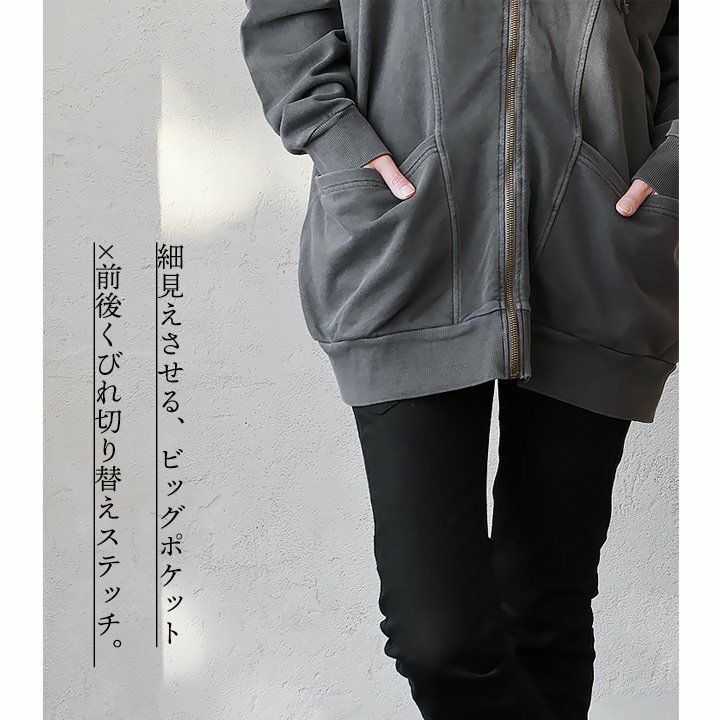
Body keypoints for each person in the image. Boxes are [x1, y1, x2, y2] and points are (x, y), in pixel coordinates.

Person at [241, 1, 678, 718]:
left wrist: (684, 149)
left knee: (548, 610)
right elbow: (288, 14)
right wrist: (334, 132)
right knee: (436, 635)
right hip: (407, 248)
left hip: (599, 241)